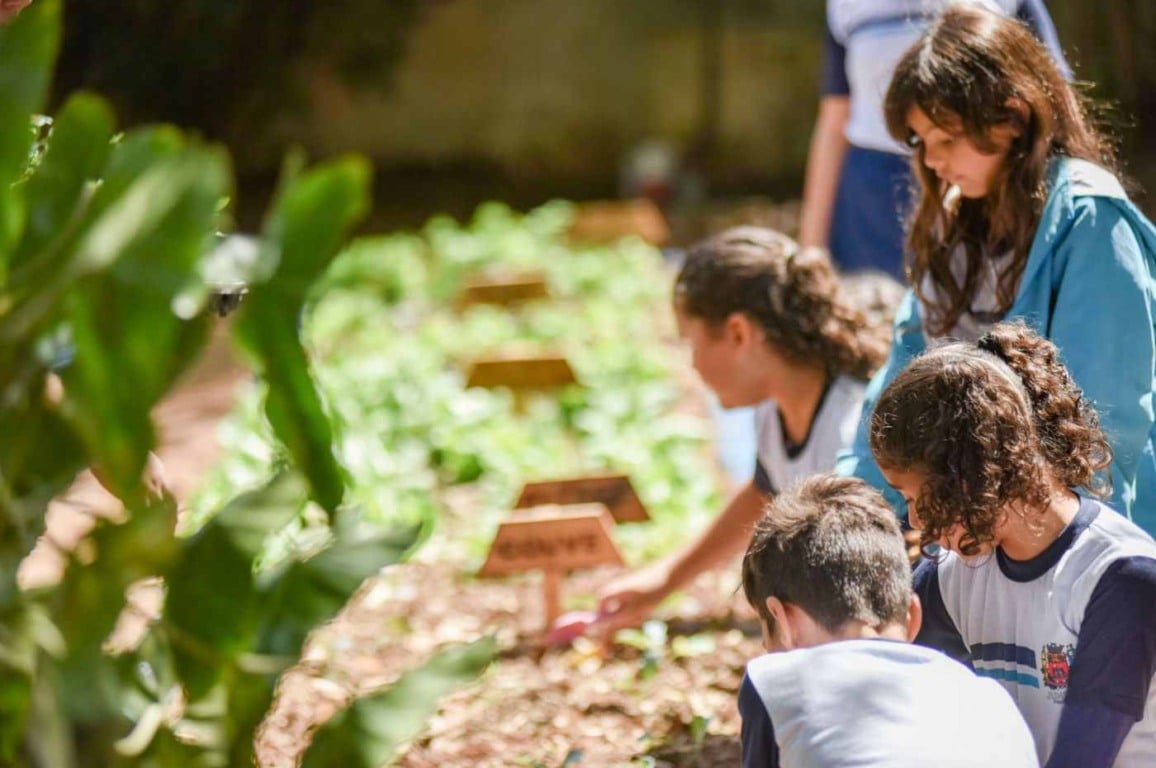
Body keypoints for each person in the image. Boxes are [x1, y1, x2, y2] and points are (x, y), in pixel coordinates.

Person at [837, 3, 1156, 533]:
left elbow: (1106, 424)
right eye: (921, 142)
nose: (932, 160)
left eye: (946, 138)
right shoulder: (954, 221)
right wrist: (858, 511)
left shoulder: (1090, 218)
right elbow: (899, 384)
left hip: (1079, 533)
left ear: (1010, 118)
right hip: (981, 526)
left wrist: (1064, 557)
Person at [870, 322, 1156, 767]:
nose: (914, 520)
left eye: (914, 496)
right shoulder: (951, 577)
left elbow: (1082, 758)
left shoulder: (1122, 576)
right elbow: (878, 693)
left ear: (974, 471)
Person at [596, 227, 889, 634]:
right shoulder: (774, 404)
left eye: (690, 342)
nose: (692, 365)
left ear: (738, 333)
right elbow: (763, 493)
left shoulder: (851, 434)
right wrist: (664, 581)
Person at [739, 473, 1039, 768]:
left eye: (771, 644)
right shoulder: (992, 703)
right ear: (913, 616)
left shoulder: (774, 681)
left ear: (784, 619)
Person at [799, 0, 1069, 278]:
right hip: (872, 198)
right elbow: (833, 122)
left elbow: (1053, 98)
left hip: (981, 190)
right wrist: (812, 246)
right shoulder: (846, 6)